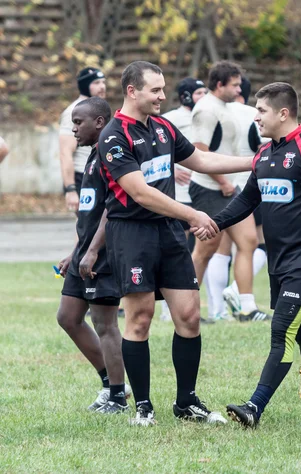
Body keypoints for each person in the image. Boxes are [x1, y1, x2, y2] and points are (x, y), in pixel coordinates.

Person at [98, 60, 253, 426]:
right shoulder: (114, 136)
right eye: (155, 90)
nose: (163, 96)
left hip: (167, 233)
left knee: (189, 315)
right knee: (139, 319)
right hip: (133, 234)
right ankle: (144, 407)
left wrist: (255, 162)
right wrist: (193, 215)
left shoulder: (164, 127)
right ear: (132, 91)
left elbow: (200, 158)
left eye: (163, 89)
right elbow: (139, 192)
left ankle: (186, 403)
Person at [200, 82, 301, 427]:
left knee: (282, 330)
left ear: (283, 113)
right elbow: (246, 201)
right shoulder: (265, 154)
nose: (256, 117)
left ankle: (255, 407)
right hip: (280, 261)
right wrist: (213, 222)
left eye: (262, 111)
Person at [55, 97, 131, 413]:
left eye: (78, 122)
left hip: (103, 255)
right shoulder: (89, 158)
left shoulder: (110, 154)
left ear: (99, 123)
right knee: (68, 317)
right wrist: (74, 252)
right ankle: (110, 384)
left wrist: (93, 250)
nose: (73, 129)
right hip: (84, 253)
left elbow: (113, 209)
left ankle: (117, 395)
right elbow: (88, 213)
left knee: (105, 323)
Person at [189, 61, 265, 322]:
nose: (239, 88)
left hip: (230, 188)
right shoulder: (206, 110)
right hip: (210, 188)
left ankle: (246, 307)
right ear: (220, 85)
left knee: (249, 241)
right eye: (234, 84)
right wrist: (222, 182)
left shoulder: (226, 107)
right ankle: (187, 307)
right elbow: (199, 151)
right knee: (204, 250)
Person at [210, 76, 270, 320]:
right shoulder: (248, 114)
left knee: (220, 248)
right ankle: (239, 298)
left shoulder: (211, 110)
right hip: (240, 186)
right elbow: (263, 147)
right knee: (250, 242)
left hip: (220, 183)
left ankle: (218, 309)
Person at [159, 77, 208, 322]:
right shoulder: (171, 118)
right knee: (178, 247)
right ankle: (167, 307)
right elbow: (159, 151)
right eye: (199, 92)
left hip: (197, 190)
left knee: (192, 250)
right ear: (187, 95)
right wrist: (173, 168)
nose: (203, 96)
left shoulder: (205, 115)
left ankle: (185, 306)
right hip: (176, 196)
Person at [59, 67, 106, 212]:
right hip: (83, 178)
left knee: (95, 231)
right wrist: (71, 189)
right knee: (90, 230)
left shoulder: (99, 109)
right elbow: (65, 152)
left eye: (103, 82)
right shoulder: (74, 112)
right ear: (85, 86)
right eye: (96, 83)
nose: (102, 86)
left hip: (100, 175)